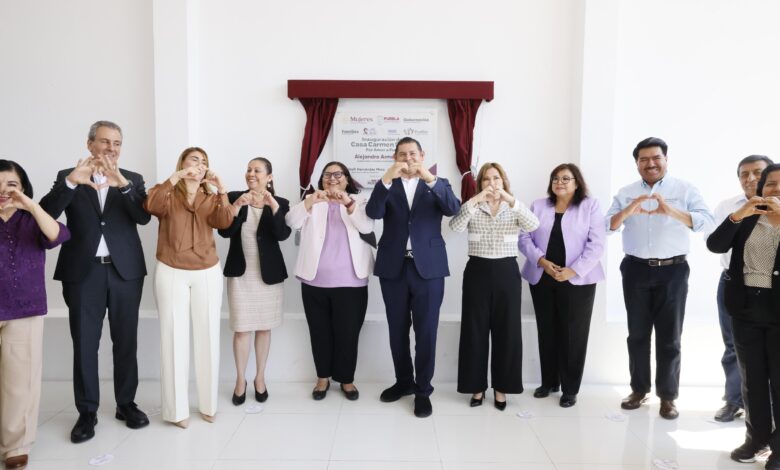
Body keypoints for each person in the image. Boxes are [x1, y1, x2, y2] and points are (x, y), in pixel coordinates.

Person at [40, 121, 151, 443]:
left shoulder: (132, 179)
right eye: (104, 141)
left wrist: (123, 184)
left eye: (117, 143)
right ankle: (87, 411)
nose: (111, 148)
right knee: (85, 343)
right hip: (82, 273)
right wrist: (73, 183)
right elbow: (46, 213)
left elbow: (142, 217)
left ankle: (126, 404)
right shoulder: (67, 176)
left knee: (126, 341)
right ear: (90, 144)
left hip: (124, 272)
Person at [605, 137, 715, 419]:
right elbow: (607, 226)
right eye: (644, 160)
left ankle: (667, 397)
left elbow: (706, 222)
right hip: (635, 269)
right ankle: (639, 390)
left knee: (670, 338)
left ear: (666, 159)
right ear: (637, 163)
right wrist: (629, 209)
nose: (650, 163)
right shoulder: (626, 192)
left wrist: (671, 210)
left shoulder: (685, 188)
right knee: (638, 335)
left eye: (656, 158)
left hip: (673, 271)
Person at [366, 136, 461, 418]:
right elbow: (373, 212)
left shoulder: (438, 183)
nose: (407, 158)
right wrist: (386, 178)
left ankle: (423, 391)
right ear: (395, 157)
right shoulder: (387, 183)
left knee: (426, 331)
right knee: (397, 330)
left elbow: (453, 209)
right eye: (402, 154)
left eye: (412, 154)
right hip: (393, 267)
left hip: (428, 269)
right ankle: (403, 382)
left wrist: (428, 178)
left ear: (422, 155)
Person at [144, 147, 234, 428]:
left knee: (208, 336)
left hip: (207, 270)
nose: (200, 164)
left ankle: (208, 405)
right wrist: (175, 178)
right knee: (174, 337)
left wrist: (221, 191)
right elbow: (151, 207)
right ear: (182, 163)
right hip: (172, 269)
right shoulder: (167, 192)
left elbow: (224, 222)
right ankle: (176, 411)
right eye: (194, 159)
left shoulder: (211, 195)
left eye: (204, 161)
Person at [707, 163, 780, 469]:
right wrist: (737, 215)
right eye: (770, 183)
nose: (774, 188)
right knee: (751, 380)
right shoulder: (747, 217)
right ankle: (756, 437)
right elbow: (715, 244)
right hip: (746, 307)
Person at [450, 162, 538, 410]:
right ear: (480, 183)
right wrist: (475, 199)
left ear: (503, 180)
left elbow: (534, 225)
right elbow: (454, 227)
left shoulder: (514, 207)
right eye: (487, 179)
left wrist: (511, 200)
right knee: (474, 331)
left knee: (507, 331)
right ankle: (476, 388)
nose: (492, 183)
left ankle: (502, 389)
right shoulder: (473, 207)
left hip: (507, 272)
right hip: (477, 271)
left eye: (496, 178)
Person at [0, 160, 69, 470]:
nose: (3, 191)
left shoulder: (32, 219)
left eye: (11, 184)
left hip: (24, 308)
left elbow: (57, 235)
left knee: (20, 382)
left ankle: (15, 445)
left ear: (23, 188)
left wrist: (28, 204)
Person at [519, 163, 605, 408]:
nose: (560, 182)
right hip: (543, 275)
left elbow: (596, 244)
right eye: (556, 178)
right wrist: (541, 261)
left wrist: (573, 270)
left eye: (566, 178)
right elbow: (523, 237)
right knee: (547, 330)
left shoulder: (590, 205)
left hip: (578, 279)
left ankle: (569, 389)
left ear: (577, 182)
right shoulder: (538, 205)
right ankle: (549, 382)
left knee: (572, 335)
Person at [286, 162, 374, 400]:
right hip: (315, 282)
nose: (332, 178)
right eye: (327, 175)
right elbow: (291, 221)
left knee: (348, 334)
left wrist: (346, 202)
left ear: (347, 179)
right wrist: (310, 201)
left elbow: (366, 225)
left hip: (351, 282)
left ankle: (346, 379)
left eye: (338, 175)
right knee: (319, 332)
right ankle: (322, 378)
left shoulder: (361, 202)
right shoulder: (312, 202)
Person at [219, 157, 291, 405]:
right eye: (248, 169)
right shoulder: (234, 196)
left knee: (263, 327)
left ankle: (260, 378)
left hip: (268, 276)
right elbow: (224, 230)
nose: (251, 173)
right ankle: (240, 380)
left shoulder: (280, 202)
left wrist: (273, 206)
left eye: (257, 170)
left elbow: (282, 235)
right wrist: (238, 204)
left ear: (269, 177)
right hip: (241, 274)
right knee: (241, 329)